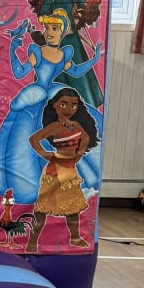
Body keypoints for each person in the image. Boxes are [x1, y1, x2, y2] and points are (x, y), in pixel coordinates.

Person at [0, 8, 103, 203]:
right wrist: (13, 49)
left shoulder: (64, 54)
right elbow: (20, 72)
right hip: (35, 98)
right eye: (47, 28)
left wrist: (94, 59)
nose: (49, 32)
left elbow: (76, 71)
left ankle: (71, 184)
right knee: (23, 138)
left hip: (52, 96)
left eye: (54, 28)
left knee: (66, 132)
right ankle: (34, 186)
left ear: (62, 32)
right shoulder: (38, 51)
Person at [23, 0, 104, 107]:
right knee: (54, 75)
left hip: (73, 40)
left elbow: (83, 11)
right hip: (55, 41)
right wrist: (57, 25)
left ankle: (81, 108)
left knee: (78, 78)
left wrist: (76, 20)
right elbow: (43, 17)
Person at [25, 87, 100, 252]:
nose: (69, 109)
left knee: (72, 206)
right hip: (55, 170)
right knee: (42, 208)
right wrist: (45, 154)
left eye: (73, 105)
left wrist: (79, 154)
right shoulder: (54, 127)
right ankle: (32, 242)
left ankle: (75, 238)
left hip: (70, 170)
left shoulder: (76, 125)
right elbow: (34, 139)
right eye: (64, 104)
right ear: (55, 105)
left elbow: (86, 138)